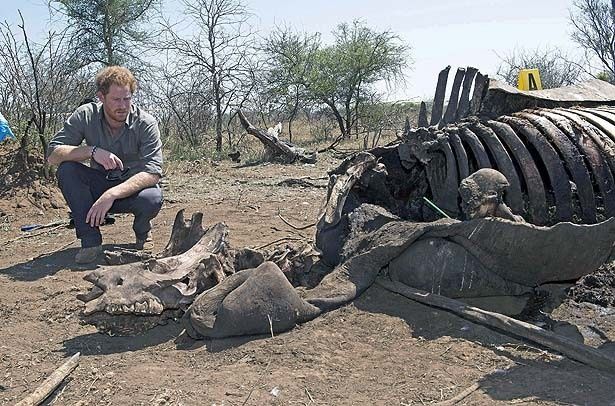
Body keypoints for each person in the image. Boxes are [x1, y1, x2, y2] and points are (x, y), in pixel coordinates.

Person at [47, 66, 163, 264]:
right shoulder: (85, 115)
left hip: (130, 189)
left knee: (153, 196)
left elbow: (153, 172)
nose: (123, 105)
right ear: (101, 97)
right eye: (116, 100)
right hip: (98, 184)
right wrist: (91, 151)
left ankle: (143, 233)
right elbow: (52, 155)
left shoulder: (146, 123)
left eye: (127, 99)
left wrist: (111, 194)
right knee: (67, 170)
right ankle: (90, 242)